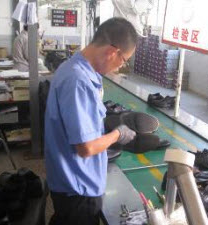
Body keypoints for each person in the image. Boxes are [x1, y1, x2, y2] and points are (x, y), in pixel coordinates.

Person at [44, 17, 138, 225]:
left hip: (69, 183)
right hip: (78, 189)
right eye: (124, 61)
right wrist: (117, 134)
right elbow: (85, 148)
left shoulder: (72, 68)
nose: (119, 67)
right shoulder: (78, 81)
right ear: (113, 52)